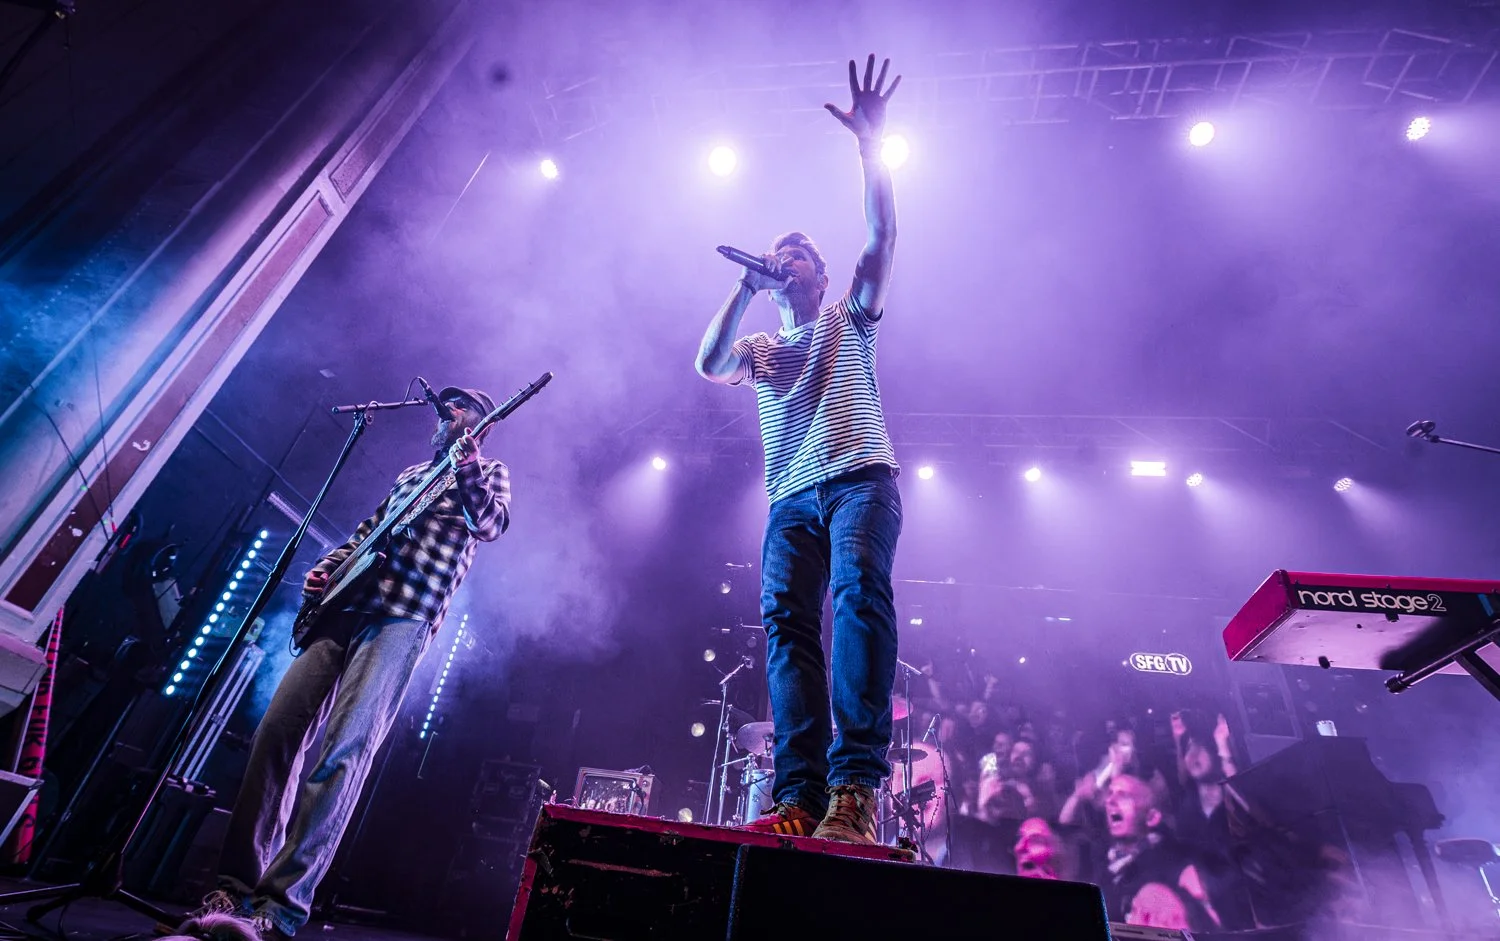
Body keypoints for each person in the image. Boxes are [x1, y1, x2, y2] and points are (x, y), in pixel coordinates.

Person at [184, 386, 511, 940]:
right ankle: (235, 890)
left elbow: (491, 524)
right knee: (275, 733)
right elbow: (366, 534)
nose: (448, 411)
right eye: (446, 403)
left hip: (403, 617)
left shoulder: (490, 471)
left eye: (461, 407)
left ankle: (278, 908)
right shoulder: (411, 474)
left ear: (483, 424)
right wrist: (328, 567)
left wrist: (469, 468)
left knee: (343, 753)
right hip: (346, 606)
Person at [695, 53, 902, 844]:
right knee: (786, 628)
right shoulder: (760, 349)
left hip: (859, 481)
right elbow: (708, 362)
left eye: (798, 253)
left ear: (818, 273)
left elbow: (882, 236)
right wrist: (746, 285)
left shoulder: (849, 317)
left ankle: (856, 789)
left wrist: (870, 144)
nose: (784, 257)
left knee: (855, 596)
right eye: (776, 252)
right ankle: (800, 796)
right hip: (790, 500)